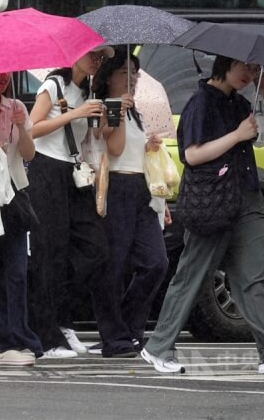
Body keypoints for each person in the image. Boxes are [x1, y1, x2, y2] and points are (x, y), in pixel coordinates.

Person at [141, 56, 264, 375]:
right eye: (243, 67)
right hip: (213, 202)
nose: (248, 74)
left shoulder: (238, 102)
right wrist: (236, 135)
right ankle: (159, 346)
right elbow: (192, 155)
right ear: (224, 65)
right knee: (192, 276)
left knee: (254, 277)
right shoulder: (200, 102)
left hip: (246, 197)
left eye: (254, 68)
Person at [26, 46, 113, 358]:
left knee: (93, 247)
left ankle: (62, 324)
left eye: (102, 58)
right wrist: (75, 113)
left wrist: (104, 118)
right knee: (49, 252)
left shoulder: (87, 90)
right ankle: (47, 336)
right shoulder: (55, 86)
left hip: (73, 173)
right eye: (93, 55)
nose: (97, 61)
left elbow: (91, 140)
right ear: (74, 54)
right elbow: (31, 129)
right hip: (46, 169)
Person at [88, 52, 168, 358]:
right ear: (109, 77)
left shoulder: (137, 113)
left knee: (156, 262)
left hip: (141, 188)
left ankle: (129, 328)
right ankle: (116, 337)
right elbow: (115, 147)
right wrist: (117, 113)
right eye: (124, 72)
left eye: (134, 74)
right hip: (115, 187)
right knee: (114, 266)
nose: (131, 79)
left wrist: (148, 147)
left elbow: (135, 152)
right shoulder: (104, 108)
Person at [0, 72, 43, 366]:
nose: (3, 78)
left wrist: (20, 124)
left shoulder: (16, 106)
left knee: (16, 271)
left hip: (14, 194)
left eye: (7, 72)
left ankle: (12, 340)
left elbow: (28, 153)